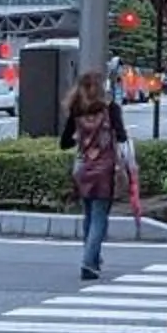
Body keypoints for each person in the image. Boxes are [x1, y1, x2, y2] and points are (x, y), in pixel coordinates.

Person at [60, 68, 133, 282]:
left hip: (82, 168)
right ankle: (89, 263)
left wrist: (81, 139)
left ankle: (92, 256)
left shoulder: (76, 110)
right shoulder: (111, 109)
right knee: (100, 217)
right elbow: (121, 137)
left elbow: (64, 143)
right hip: (104, 168)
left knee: (89, 214)